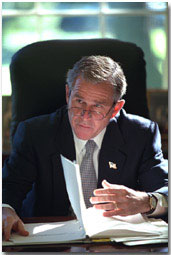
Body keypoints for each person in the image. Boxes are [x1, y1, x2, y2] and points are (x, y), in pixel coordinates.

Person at [2, 56, 168, 241]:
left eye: (97, 106)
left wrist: (147, 201)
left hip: (115, 245)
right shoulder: (35, 133)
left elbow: (164, 189)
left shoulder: (140, 134)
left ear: (116, 109)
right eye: (79, 102)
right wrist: (5, 209)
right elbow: (9, 187)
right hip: (50, 244)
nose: (85, 116)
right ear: (68, 94)